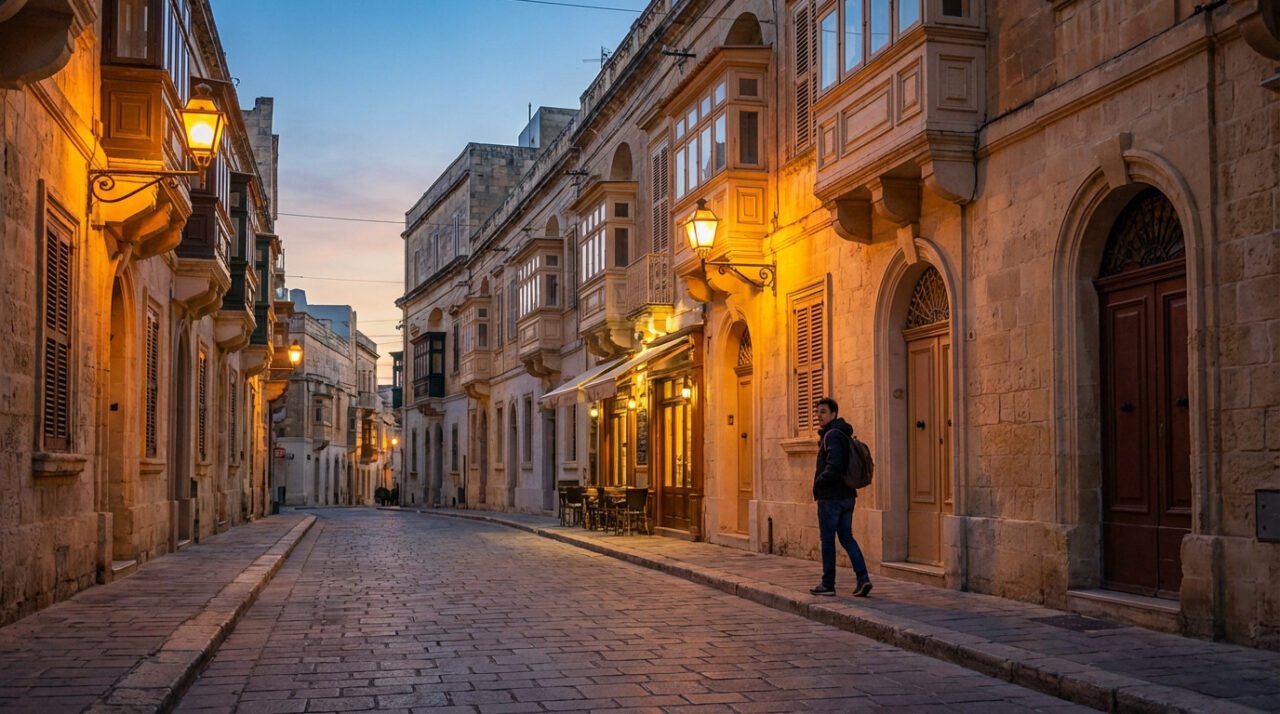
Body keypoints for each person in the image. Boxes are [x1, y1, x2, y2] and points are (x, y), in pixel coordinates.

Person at [810, 397, 872, 597]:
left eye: (823, 412)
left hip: (832, 497)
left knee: (828, 540)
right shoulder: (842, 434)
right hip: (847, 496)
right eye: (817, 412)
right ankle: (863, 578)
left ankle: (828, 584)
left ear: (833, 414)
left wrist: (820, 482)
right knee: (847, 537)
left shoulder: (833, 436)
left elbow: (834, 466)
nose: (819, 415)